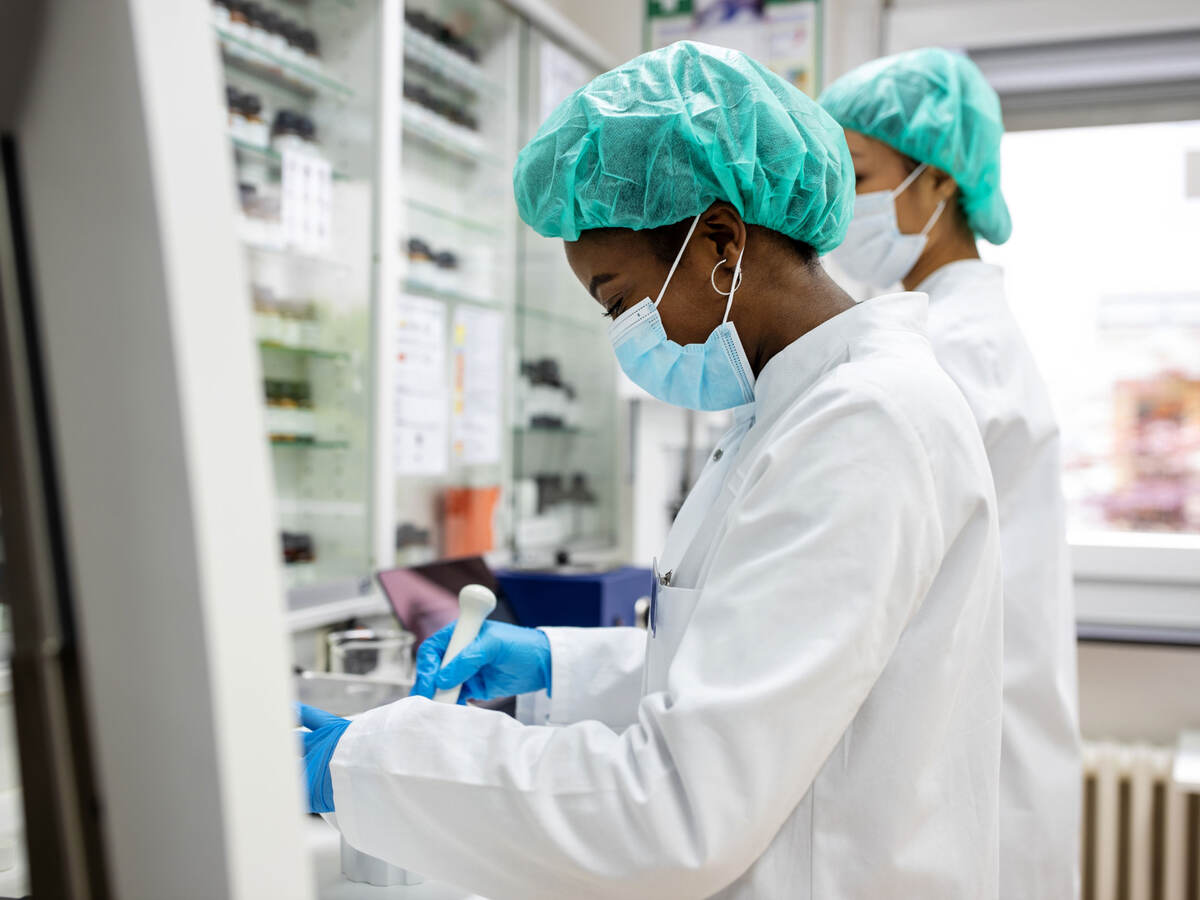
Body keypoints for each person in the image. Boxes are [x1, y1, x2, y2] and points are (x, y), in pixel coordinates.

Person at [298, 41, 1004, 899]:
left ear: (720, 239)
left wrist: (362, 762)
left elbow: (676, 810)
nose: (625, 334)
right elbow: (754, 667)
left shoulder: (862, 424)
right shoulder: (791, 410)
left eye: (620, 299)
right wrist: (560, 665)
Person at [819, 47, 1082, 900]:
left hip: (972, 773)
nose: (836, 207)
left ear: (936, 186)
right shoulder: (938, 331)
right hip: (974, 759)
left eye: (857, 174)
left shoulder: (956, 350)